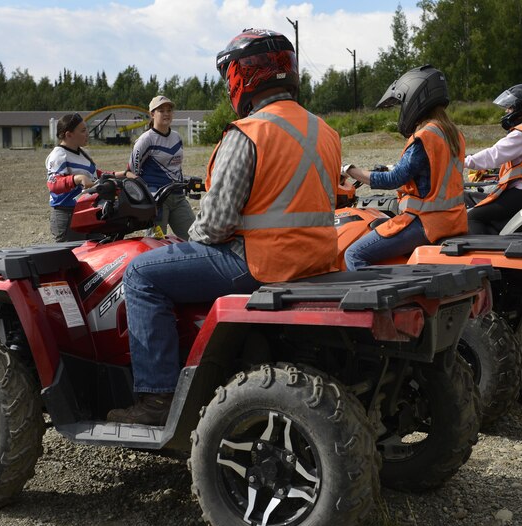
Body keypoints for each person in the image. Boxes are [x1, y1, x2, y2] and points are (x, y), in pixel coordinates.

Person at [106, 28, 341, 425]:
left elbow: (214, 226)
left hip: (259, 261)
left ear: (243, 76)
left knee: (142, 272)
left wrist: (183, 242)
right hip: (317, 259)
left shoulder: (249, 132)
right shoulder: (325, 132)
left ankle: (155, 399)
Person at [341, 66, 467, 270]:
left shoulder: (425, 136)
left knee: (354, 254)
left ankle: (375, 301)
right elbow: (434, 170)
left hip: (425, 223)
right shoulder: (453, 134)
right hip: (453, 221)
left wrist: (349, 169)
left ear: (416, 98)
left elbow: (392, 180)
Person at [464, 84, 522, 234]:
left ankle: (485, 255)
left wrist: (463, 161)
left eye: (510, 108)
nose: (507, 111)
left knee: (472, 217)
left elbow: (494, 154)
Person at [45, 113, 127, 241]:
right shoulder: (59, 155)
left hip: (87, 210)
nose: (87, 133)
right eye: (83, 130)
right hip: (68, 214)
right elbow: (53, 184)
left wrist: (121, 174)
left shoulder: (82, 153)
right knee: (72, 259)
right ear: (69, 135)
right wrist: (77, 179)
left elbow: (94, 174)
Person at [127, 95, 196, 239]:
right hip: (157, 201)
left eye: (169, 110)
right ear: (152, 114)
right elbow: (133, 171)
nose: (166, 114)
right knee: (156, 244)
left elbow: (177, 167)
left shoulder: (177, 137)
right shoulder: (146, 140)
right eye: (161, 110)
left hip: (178, 197)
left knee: (194, 238)